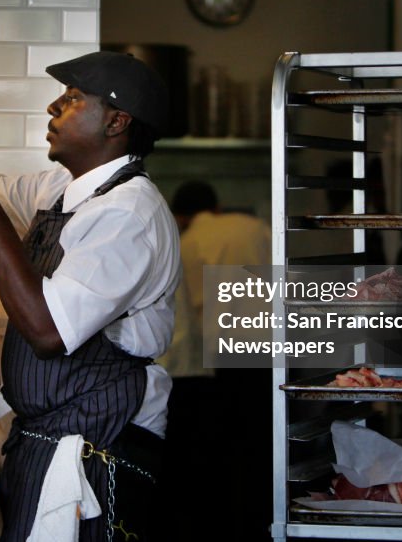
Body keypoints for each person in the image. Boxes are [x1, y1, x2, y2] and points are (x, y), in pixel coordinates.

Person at [0, 51, 181, 541]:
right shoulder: (64, 190)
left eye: (71, 99)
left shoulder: (129, 214)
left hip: (95, 448)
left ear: (116, 121)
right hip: (47, 440)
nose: (53, 108)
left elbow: (48, 332)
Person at [158, 180, 272, 540]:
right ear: (217, 207)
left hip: (222, 361)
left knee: (226, 452)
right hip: (271, 353)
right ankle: (264, 525)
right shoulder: (258, 228)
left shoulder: (188, 243)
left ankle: (231, 527)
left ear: (180, 216)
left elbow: (187, 314)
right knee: (263, 448)